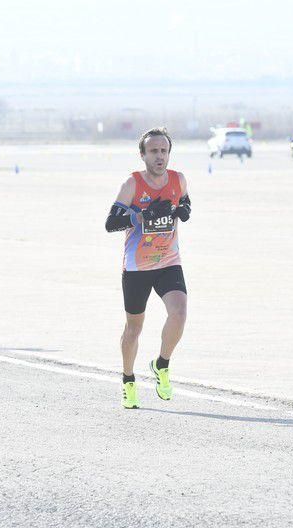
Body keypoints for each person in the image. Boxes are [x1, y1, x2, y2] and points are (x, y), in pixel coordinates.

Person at [105, 127, 191, 409]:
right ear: (143, 155)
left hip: (168, 261)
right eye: (153, 151)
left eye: (164, 151)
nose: (159, 156)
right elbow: (111, 222)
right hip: (137, 268)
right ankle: (128, 380)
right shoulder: (132, 184)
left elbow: (185, 201)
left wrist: (184, 210)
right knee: (134, 329)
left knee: (179, 313)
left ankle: (161, 364)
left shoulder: (178, 180)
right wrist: (142, 215)